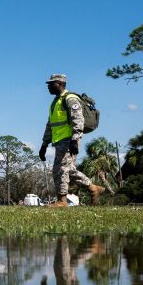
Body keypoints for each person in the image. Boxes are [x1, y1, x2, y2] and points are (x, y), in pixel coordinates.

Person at [38, 74, 103, 207]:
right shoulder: (55, 102)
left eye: (52, 84)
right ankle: (93, 188)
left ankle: (62, 201)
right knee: (66, 170)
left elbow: (78, 120)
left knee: (62, 169)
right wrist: (44, 144)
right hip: (59, 141)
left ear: (60, 84)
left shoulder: (70, 99)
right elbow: (50, 125)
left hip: (69, 139)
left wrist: (74, 140)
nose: (49, 87)